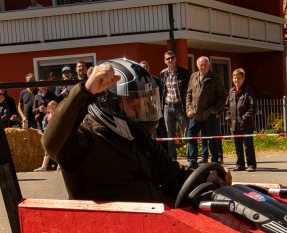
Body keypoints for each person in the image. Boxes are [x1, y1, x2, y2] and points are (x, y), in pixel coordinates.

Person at [44, 60, 208, 203]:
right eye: (135, 106)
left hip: (157, 222)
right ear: (109, 103)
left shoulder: (143, 143)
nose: (143, 111)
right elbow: (52, 143)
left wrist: (208, 177)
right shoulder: (86, 142)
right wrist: (84, 92)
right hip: (110, 226)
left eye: (147, 104)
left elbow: (175, 177)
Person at [184, 56, 225, 168]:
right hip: (195, 114)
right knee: (191, 136)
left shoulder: (215, 78)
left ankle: (215, 161)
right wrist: (189, 109)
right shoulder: (194, 76)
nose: (202, 67)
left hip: (209, 114)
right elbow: (188, 94)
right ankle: (192, 161)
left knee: (212, 139)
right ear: (197, 66)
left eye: (205, 65)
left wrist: (215, 110)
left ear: (209, 65)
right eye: (200, 65)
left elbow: (222, 96)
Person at [158, 51, 190, 160]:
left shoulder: (183, 72)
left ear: (175, 59)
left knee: (187, 133)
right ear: (165, 61)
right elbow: (163, 91)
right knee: (170, 135)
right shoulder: (163, 73)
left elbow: (189, 90)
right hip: (168, 107)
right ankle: (172, 159)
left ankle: (190, 158)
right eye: (168, 59)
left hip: (180, 107)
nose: (170, 60)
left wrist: (188, 106)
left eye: (172, 58)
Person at [225, 68, 256, 172]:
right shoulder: (231, 91)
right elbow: (227, 107)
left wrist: (244, 118)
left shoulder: (248, 91)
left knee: (248, 146)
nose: (236, 80)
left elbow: (253, 108)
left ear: (243, 79)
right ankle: (239, 165)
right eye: (234, 78)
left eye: (238, 78)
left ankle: (251, 165)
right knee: (237, 146)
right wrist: (228, 118)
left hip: (246, 124)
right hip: (234, 124)